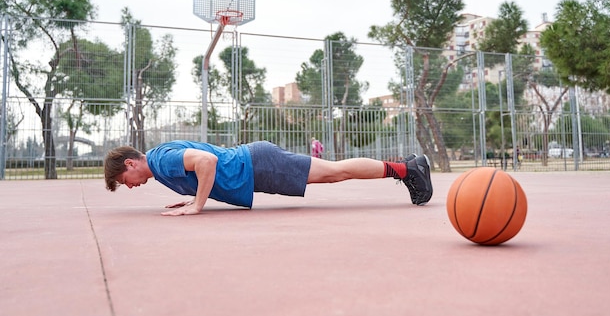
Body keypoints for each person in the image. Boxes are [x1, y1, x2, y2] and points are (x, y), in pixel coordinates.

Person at [104, 140, 432, 216]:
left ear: (131, 164)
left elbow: (206, 160)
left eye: (123, 180)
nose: (128, 186)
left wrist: (197, 206)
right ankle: (406, 168)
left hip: (257, 164)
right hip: (255, 166)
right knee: (334, 172)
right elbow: (199, 165)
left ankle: (407, 169)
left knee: (334, 172)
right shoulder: (161, 162)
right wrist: (193, 197)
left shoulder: (160, 160)